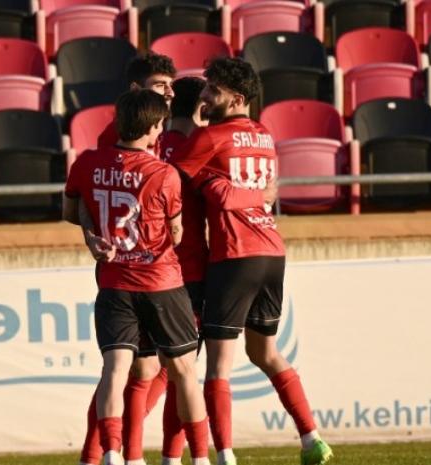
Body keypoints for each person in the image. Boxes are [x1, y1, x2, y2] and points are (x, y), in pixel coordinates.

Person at [172, 57, 333, 465]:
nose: (205, 96)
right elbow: (255, 189)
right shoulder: (264, 135)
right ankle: (311, 438)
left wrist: (207, 176)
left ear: (237, 98)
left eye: (214, 90)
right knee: (266, 353)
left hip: (234, 254)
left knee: (218, 367)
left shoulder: (210, 137)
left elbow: (170, 179)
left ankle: (225, 455)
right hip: (272, 251)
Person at [64, 89, 211, 465]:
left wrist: (93, 235)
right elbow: (176, 233)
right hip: (161, 282)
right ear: (153, 127)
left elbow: (72, 209)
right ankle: (200, 457)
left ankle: (111, 453)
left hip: (114, 283)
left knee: (114, 371)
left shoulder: (87, 163)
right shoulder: (163, 174)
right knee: (184, 371)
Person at [159, 76, 276, 465]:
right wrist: (256, 194)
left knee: (155, 372)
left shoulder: (158, 145)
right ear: (199, 107)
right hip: (201, 264)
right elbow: (227, 194)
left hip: (168, 264)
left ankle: (126, 454)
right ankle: (205, 456)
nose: (209, 97)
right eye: (206, 92)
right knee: (182, 371)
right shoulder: (214, 142)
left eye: (215, 90)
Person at [78, 52, 177, 465]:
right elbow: (89, 196)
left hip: (169, 263)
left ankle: (124, 454)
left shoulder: (171, 130)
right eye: (160, 85)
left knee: (146, 369)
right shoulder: (115, 140)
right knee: (136, 368)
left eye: (171, 86)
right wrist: (91, 236)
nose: (169, 93)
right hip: (141, 268)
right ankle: (101, 454)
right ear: (136, 91)